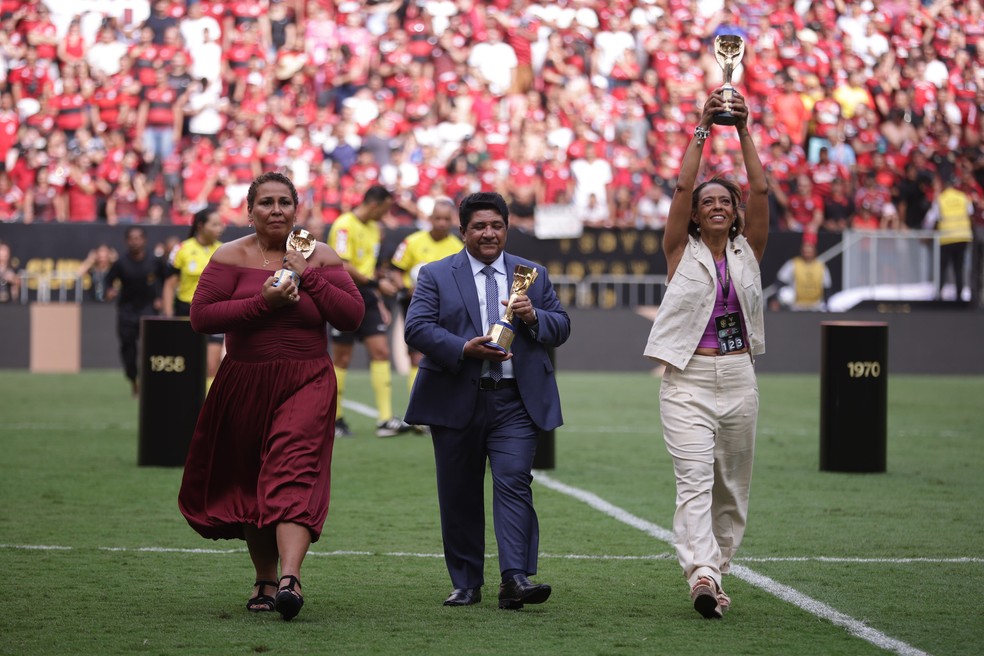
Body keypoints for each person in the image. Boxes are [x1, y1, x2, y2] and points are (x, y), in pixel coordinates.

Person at [178, 172, 365, 622]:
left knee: (292, 470)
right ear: (250, 210)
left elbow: (353, 315)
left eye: (285, 202)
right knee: (251, 479)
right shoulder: (229, 255)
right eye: (266, 203)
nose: (276, 210)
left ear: (296, 210)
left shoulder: (319, 255)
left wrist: (309, 278)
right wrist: (263, 302)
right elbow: (201, 317)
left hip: (308, 380)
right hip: (244, 382)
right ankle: (264, 577)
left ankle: (290, 579)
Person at [403, 191, 571, 610]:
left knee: (514, 482)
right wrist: (464, 348)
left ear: (507, 228)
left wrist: (534, 316)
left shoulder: (533, 273)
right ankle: (466, 583)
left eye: (496, 225)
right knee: (458, 493)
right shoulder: (436, 274)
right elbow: (417, 328)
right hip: (456, 398)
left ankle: (515, 578)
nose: (488, 233)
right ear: (463, 231)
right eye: (479, 226)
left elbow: (561, 326)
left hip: (515, 402)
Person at [642, 88, 769, 619]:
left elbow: (760, 187)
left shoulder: (749, 251)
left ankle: (717, 567)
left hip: (738, 378)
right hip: (687, 381)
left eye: (725, 202)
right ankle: (703, 575)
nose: (716, 206)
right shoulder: (680, 251)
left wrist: (741, 128)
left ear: (736, 215)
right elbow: (680, 184)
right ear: (695, 217)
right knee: (693, 481)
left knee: (732, 489)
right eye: (707, 203)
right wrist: (702, 125)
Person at [327, 184, 412, 438]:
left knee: (381, 351)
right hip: (342, 294)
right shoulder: (344, 225)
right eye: (385, 209)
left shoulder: (375, 229)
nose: (385, 215)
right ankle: (335, 418)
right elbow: (342, 264)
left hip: (366, 295)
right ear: (374, 205)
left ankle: (385, 419)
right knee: (342, 358)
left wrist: (377, 291)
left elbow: (368, 267)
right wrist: (376, 284)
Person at [389, 197, 463, 399]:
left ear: (452, 221)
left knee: (444, 356)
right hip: (414, 304)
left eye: (445, 219)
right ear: (430, 218)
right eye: (437, 218)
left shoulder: (457, 247)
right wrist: (406, 287)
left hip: (445, 307)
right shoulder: (412, 242)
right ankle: (418, 409)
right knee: (416, 356)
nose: (441, 223)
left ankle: (441, 403)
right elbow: (396, 270)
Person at [162, 206, 226, 387]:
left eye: (221, 225)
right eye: (214, 225)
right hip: (186, 312)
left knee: (212, 366)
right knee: (186, 363)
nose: (219, 229)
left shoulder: (224, 250)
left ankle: (207, 410)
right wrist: (168, 315)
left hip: (214, 313)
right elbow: (169, 285)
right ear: (200, 226)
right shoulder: (182, 249)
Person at [104, 226, 166, 396]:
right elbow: (108, 281)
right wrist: (109, 290)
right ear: (126, 241)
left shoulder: (154, 262)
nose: (135, 241)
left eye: (138, 238)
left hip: (149, 312)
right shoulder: (120, 263)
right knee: (128, 350)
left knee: (153, 350)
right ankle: (133, 380)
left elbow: (165, 280)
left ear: (144, 240)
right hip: (127, 312)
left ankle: (152, 383)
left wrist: (160, 297)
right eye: (132, 238)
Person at [924, 176, 973, 303]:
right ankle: (959, 295)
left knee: (942, 268)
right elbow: (970, 215)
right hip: (963, 237)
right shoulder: (963, 197)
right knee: (959, 267)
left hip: (946, 238)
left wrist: (928, 234)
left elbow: (931, 219)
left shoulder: (940, 199)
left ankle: (939, 294)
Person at [775, 232, 831, 311]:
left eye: (810, 250)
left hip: (816, 306)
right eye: (805, 249)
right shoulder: (793, 264)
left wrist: (827, 304)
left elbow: (826, 287)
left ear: (814, 251)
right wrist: (779, 297)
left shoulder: (821, 266)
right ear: (802, 250)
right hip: (796, 306)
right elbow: (780, 282)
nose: (807, 252)